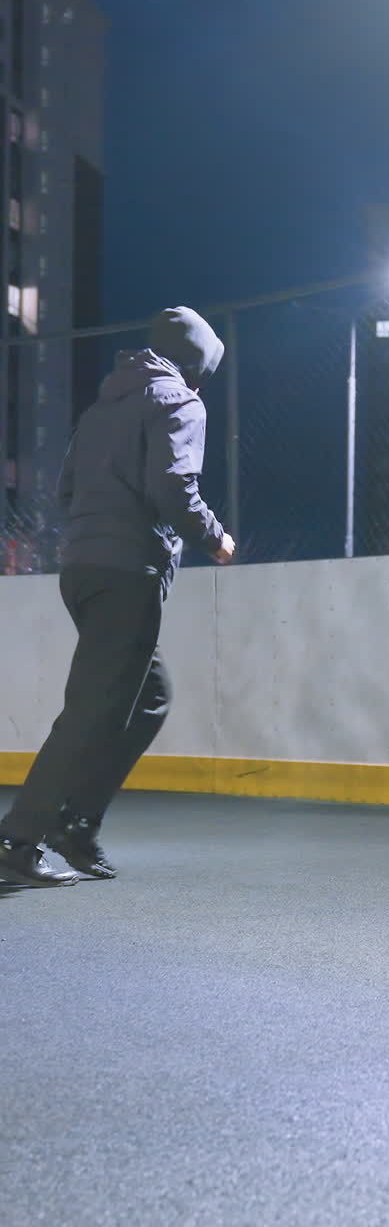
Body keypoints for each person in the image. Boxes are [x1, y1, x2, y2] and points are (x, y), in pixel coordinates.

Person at [0, 307, 235, 888]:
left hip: (81, 569)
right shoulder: (180, 402)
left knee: (148, 697)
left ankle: (76, 824)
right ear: (196, 363)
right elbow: (174, 485)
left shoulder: (105, 405)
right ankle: (18, 837)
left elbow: (67, 487)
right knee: (91, 710)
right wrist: (214, 537)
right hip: (129, 571)